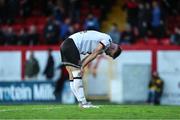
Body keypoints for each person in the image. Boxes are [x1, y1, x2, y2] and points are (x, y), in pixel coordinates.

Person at [60, 30, 122, 108]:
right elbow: (95, 52)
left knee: (72, 75)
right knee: (77, 73)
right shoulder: (108, 40)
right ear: (113, 48)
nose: (107, 54)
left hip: (66, 44)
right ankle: (83, 103)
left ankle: (81, 102)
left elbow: (92, 56)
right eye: (109, 54)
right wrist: (81, 66)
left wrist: (81, 65)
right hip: (72, 45)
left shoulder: (103, 47)